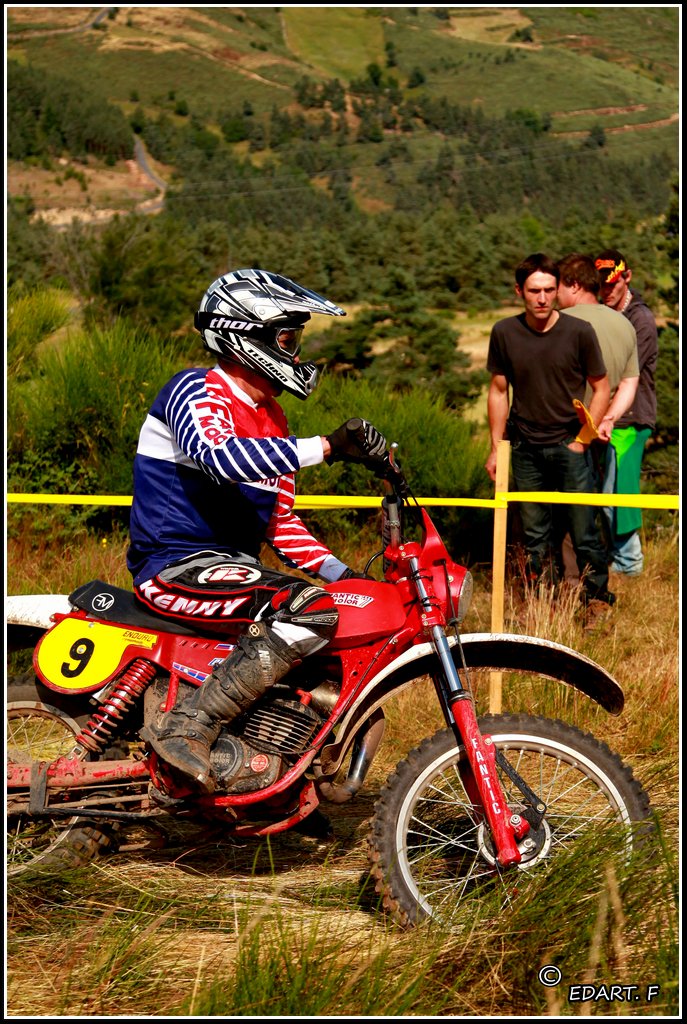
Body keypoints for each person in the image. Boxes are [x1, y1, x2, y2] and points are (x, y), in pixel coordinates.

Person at [129, 268, 387, 795]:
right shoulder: (196, 390)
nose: (296, 353)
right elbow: (220, 457)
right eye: (288, 340)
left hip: (233, 569)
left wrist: (346, 576)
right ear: (246, 335)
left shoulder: (273, 419)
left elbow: (280, 523)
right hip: (174, 566)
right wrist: (328, 447)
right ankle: (189, 726)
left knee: (335, 631)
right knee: (308, 610)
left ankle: (277, 791)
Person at [485, 252, 614, 625]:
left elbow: (601, 387)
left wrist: (583, 439)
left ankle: (597, 603)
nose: (542, 298)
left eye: (549, 290)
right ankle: (542, 605)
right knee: (534, 536)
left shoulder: (579, 332)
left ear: (558, 290)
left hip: (569, 446)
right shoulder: (504, 332)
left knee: (584, 530)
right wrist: (496, 448)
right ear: (519, 291)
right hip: (525, 449)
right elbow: (498, 391)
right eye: (534, 291)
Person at [555, 253, 639, 584]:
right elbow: (630, 383)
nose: (552, 295)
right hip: (599, 434)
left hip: (560, 431)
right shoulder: (624, 324)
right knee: (588, 512)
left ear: (574, 284)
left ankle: (562, 587)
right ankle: (594, 584)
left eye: (557, 286)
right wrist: (607, 419)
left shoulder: (558, 323)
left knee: (555, 517)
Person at [595, 248, 658, 575]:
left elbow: (620, 374)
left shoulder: (641, 319)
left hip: (631, 420)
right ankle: (618, 560)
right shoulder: (607, 315)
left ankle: (629, 565)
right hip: (607, 418)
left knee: (619, 494)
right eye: (601, 284)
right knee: (606, 494)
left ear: (627, 277)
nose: (607, 290)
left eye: (613, 283)